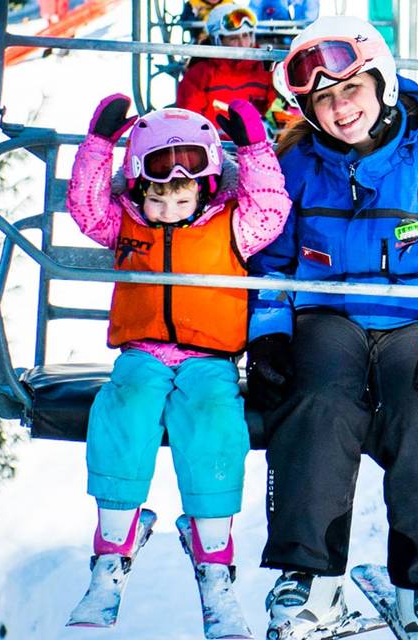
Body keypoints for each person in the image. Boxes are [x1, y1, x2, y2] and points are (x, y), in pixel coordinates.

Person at [244, 15, 418, 640]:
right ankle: (311, 579)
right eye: (323, 99)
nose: (340, 110)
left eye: (351, 90)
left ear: (382, 82)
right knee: (314, 402)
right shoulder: (297, 167)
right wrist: (271, 331)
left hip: (414, 323)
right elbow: (271, 260)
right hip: (326, 318)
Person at [60, 94, 289, 640]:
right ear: (137, 187)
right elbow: (87, 207)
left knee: (214, 421)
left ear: (207, 184)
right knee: (125, 406)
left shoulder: (232, 225)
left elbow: (271, 210)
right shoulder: (124, 223)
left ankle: (214, 560)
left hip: (209, 359)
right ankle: (113, 547)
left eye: (181, 194)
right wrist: (100, 144)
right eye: (156, 197)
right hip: (142, 354)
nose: (167, 208)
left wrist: (255, 147)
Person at [176, 2, 281, 129]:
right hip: (215, 145)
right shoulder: (199, 74)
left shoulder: (267, 70)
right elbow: (190, 120)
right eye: (233, 38)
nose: (242, 43)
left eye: (246, 35)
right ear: (218, 40)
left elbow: (278, 115)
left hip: (258, 145)